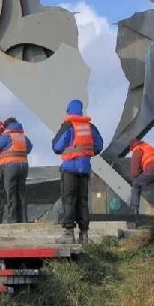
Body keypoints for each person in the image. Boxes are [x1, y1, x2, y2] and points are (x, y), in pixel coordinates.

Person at [52, 99, 103, 245]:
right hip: (85, 169)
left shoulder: (68, 125)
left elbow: (56, 146)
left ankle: (69, 233)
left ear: (69, 111)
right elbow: (99, 144)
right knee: (83, 201)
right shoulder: (90, 126)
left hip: (70, 169)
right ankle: (84, 234)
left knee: (69, 200)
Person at [0, 117, 32, 223]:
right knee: (21, 193)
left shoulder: (6, 135)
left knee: (11, 192)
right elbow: (29, 147)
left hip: (11, 167)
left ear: (6, 126)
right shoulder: (23, 136)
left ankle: (12, 218)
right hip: (24, 166)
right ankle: (23, 218)